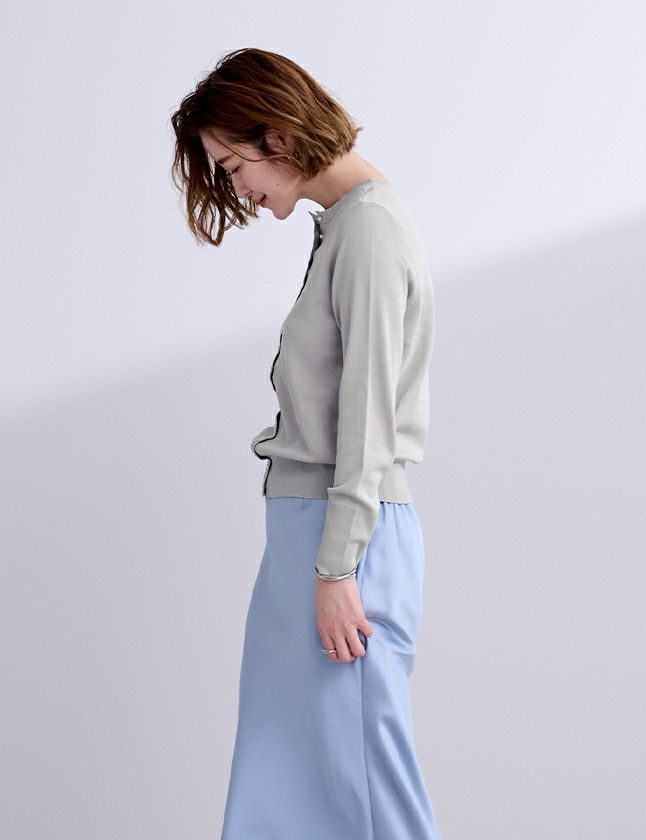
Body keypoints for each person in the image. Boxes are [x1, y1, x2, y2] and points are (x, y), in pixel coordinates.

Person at [170, 47, 441, 840]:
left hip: (342, 538)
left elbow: (368, 419)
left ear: (280, 136)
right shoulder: (344, 228)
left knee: (366, 787)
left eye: (233, 165)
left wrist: (338, 566)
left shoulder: (370, 231)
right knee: (281, 780)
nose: (237, 190)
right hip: (309, 537)